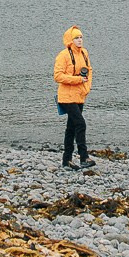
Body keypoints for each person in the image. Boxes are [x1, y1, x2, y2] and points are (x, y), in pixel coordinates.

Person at [55, 26, 95, 169]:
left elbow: (89, 71)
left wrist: (87, 87)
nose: (79, 40)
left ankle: (67, 160)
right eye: (76, 38)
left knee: (71, 128)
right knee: (80, 124)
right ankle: (84, 157)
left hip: (79, 95)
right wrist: (78, 79)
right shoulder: (63, 55)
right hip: (66, 97)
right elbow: (57, 76)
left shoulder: (84, 53)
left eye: (81, 37)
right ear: (70, 40)